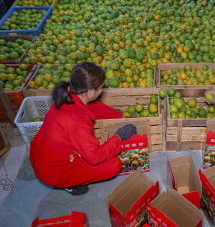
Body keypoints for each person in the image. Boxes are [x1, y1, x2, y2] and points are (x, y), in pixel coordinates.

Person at [30, 62, 137, 195]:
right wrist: (119, 136)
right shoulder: (78, 121)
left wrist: (122, 118)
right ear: (91, 91)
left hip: (42, 157)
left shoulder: (68, 97)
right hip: (55, 171)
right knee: (114, 164)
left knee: (92, 108)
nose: (102, 91)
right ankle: (69, 183)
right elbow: (95, 157)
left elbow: (95, 107)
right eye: (101, 88)